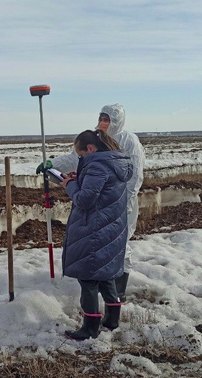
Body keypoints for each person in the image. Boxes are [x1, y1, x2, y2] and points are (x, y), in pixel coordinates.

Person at [38, 104, 143, 300]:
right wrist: (52, 165)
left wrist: (125, 204)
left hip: (119, 203)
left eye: (108, 120)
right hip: (99, 204)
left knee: (119, 244)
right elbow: (76, 159)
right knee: (99, 246)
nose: (104, 124)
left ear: (117, 122)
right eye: (102, 119)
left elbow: (134, 176)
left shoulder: (129, 141)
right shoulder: (93, 139)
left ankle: (118, 291)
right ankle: (105, 292)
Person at [60, 130, 133, 340]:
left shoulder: (98, 166)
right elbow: (101, 190)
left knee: (88, 279)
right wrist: (80, 177)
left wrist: (70, 185)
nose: (81, 159)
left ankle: (89, 328)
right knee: (106, 275)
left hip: (95, 229)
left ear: (91, 149)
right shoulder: (114, 163)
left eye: (81, 155)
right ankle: (112, 320)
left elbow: (85, 200)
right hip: (110, 227)